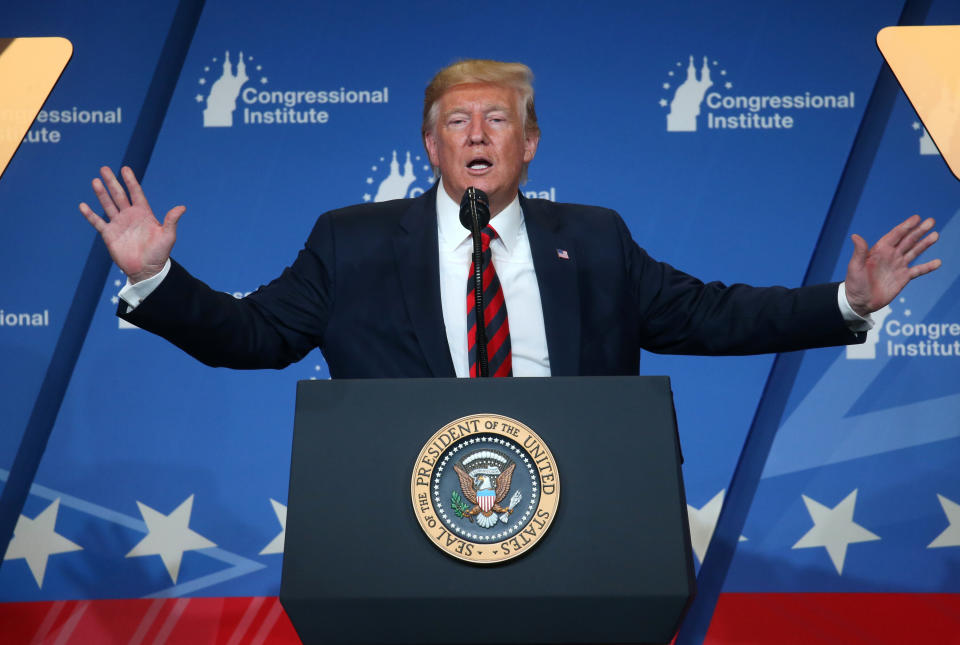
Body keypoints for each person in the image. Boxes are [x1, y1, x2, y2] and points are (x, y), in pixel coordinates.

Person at [78, 60, 941, 378]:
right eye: (458, 121)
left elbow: (709, 315)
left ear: (529, 144)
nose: (478, 133)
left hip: (584, 510)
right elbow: (256, 334)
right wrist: (154, 276)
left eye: (497, 120)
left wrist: (847, 301)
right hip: (403, 514)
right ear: (430, 145)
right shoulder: (353, 240)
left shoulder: (593, 237)